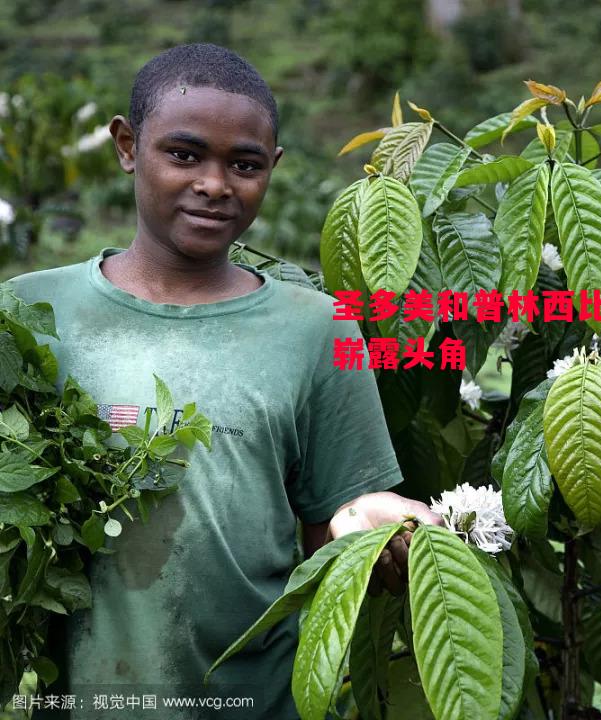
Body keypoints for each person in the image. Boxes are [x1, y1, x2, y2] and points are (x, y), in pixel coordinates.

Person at [3, 43, 440, 719]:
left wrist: (373, 527)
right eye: (184, 155)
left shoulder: (318, 327)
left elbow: (328, 526)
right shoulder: (28, 313)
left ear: (273, 168)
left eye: (245, 164)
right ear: (127, 146)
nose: (215, 184)